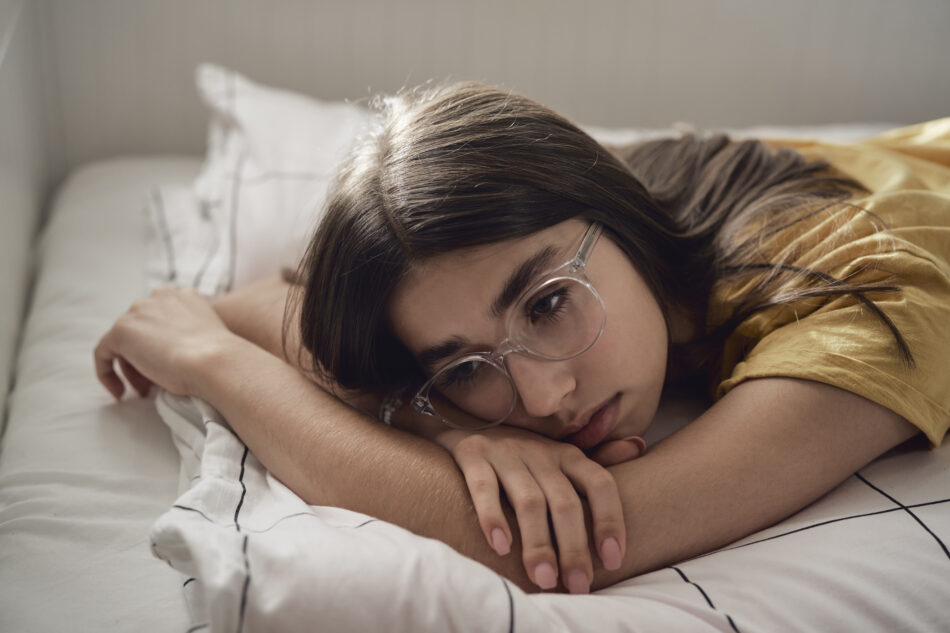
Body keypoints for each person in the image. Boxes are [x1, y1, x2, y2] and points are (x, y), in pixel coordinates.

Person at [94, 82, 950, 596]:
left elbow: (576, 544)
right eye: (467, 367)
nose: (543, 399)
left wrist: (214, 364)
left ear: (615, 212)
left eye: (547, 305)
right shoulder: (578, 211)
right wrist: (444, 424)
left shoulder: (873, 291)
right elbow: (273, 302)